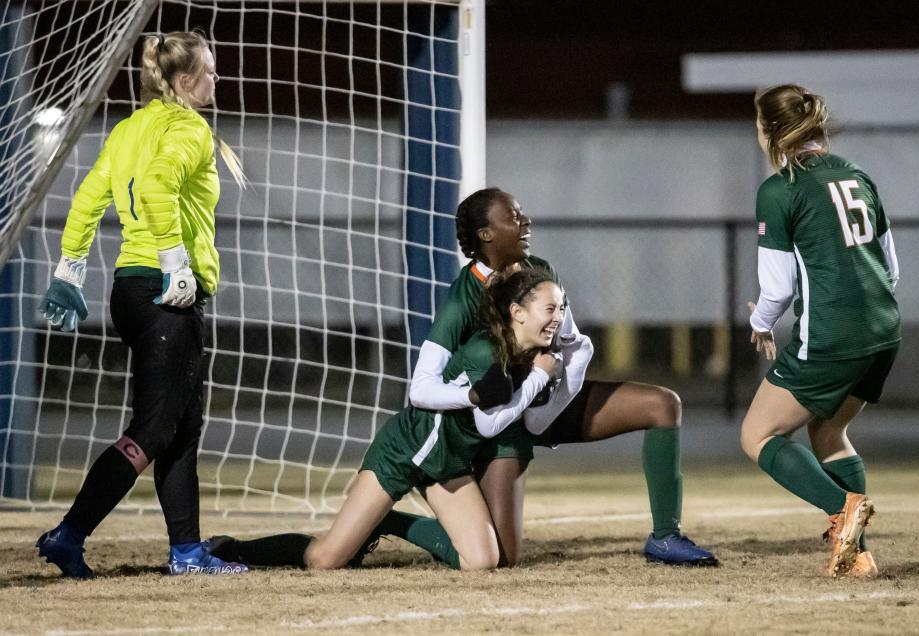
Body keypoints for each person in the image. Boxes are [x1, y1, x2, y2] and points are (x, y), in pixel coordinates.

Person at [400, 187, 717, 567]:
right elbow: (421, 386)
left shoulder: (542, 271)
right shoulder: (462, 296)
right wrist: (480, 399)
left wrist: (555, 396)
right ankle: (396, 523)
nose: (525, 222)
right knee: (500, 557)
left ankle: (665, 537)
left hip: (553, 398)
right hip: (503, 425)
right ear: (486, 234)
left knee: (663, 404)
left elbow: (570, 344)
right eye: (513, 217)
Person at [35, 31, 248, 578]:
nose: (217, 79)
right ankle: (70, 533)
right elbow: (156, 187)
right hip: (164, 291)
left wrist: (70, 269)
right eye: (211, 70)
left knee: (180, 426)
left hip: (130, 288)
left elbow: (87, 198)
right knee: (154, 429)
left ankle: (187, 551)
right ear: (184, 80)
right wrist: (177, 262)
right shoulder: (186, 128)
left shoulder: (130, 127)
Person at [209, 269, 592, 570]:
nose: (559, 318)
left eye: (562, 308)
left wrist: (573, 369)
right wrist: (541, 376)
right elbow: (489, 425)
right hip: (406, 451)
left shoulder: (531, 354)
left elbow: (538, 423)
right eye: (550, 309)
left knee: (483, 561)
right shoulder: (486, 352)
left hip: (447, 461)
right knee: (325, 559)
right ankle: (231, 548)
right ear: (518, 312)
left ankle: (389, 522)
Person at [742, 84, 900, 578]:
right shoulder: (857, 175)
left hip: (833, 338)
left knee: (757, 435)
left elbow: (777, 289)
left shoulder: (780, 188)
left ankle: (843, 513)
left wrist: (760, 323)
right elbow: (890, 267)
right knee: (829, 431)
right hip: (884, 330)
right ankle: (857, 555)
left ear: (769, 129)